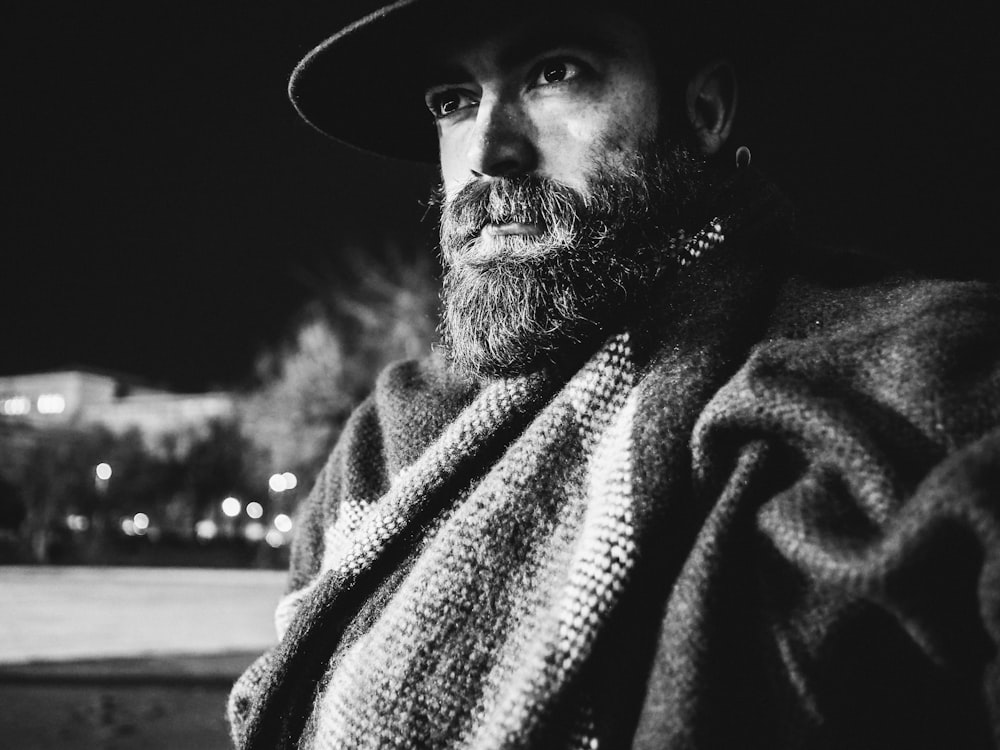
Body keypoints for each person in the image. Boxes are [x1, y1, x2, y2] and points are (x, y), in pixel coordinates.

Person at [229, 0, 1000, 747]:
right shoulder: (388, 439)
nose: (487, 151)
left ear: (704, 110)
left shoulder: (897, 384)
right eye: (454, 99)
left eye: (555, 71)